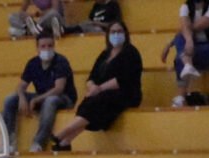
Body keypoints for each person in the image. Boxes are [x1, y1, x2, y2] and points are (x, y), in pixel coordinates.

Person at [48, 21, 143, 150]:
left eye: (119, 32)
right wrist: (92, 86)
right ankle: (66, 141)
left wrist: (99, 88)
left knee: (99, 101)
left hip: (125, 93)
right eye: (113, 32)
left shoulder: (131, 53)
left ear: (125, 34)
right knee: (89, 101)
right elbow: (92, 76)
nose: (116, 35)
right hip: (102, 92)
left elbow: (124, 79)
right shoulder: (105, 54)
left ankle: (63, 133)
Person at [2, 34, 77, 154]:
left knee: (50, 100)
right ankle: (9, 142)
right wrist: (22, 97)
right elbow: (21, 86)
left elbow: (59, 88)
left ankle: (39, 142)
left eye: (50, 46)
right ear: (37, 48)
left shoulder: (61, 61)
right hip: (41, 96)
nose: (47, 49)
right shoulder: (33, 63)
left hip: (64, 98)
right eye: (43, 46)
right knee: (10, 99)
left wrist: (37, 100)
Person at [164, 1, 209, 108]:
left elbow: (196, 27)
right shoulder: (186, 6)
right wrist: (188, 40)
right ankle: (181, 96)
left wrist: (173, 42)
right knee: (179, 56)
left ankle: (187, 63)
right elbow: (185, 28)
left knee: (181, 43)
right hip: (194, 48)